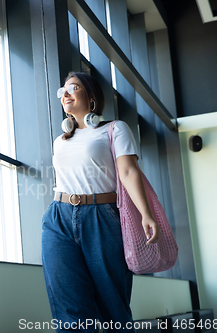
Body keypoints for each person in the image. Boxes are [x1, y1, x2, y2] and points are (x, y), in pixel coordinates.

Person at [41, 72, 161, 332]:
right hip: (58, 218)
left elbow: (129, 172)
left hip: (101, 217)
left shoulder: (114, 129)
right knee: (68, 310)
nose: (66, 94)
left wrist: (146, 214)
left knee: (112, 308)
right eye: (63, 90)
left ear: (92, 98)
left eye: (74, 88)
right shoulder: (59, 141)